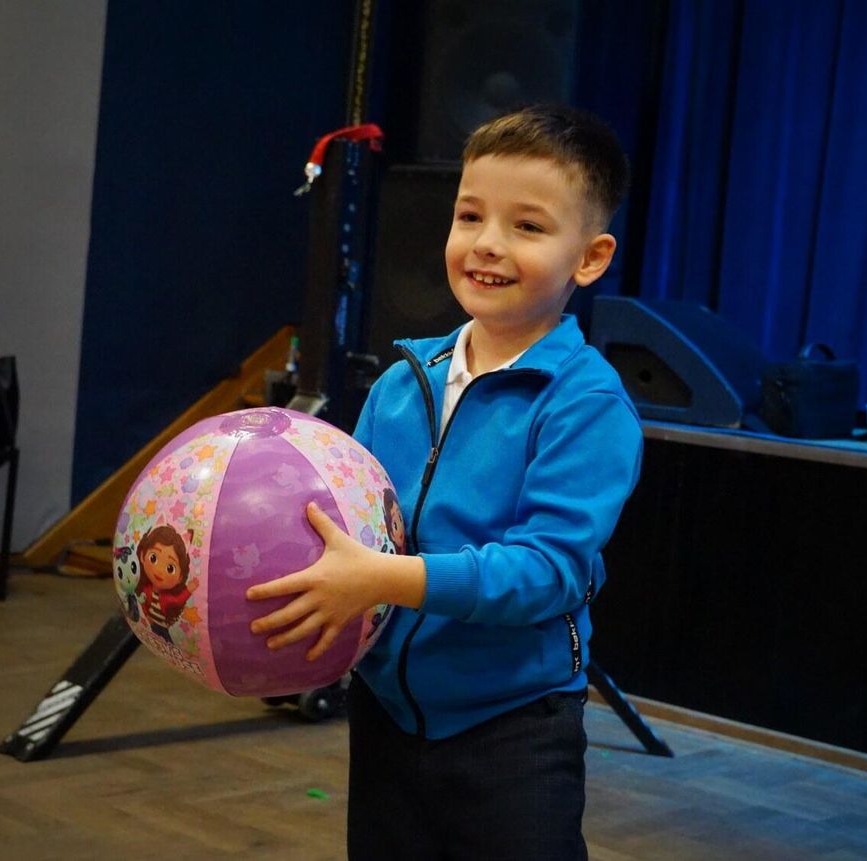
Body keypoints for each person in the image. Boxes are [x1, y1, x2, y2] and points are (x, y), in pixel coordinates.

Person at [248, 105, 643, 859]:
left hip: (513, 730)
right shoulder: (403, 381)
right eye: (470, 216)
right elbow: (349, 525)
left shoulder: (586, 402)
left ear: (590, 259)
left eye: (528, 226)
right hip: (386, 714)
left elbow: (548, 571)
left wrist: (382, 578)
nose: (488, 243)